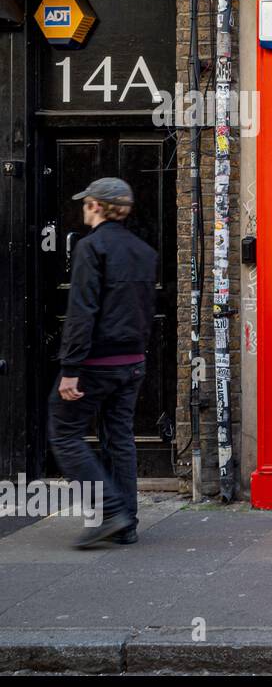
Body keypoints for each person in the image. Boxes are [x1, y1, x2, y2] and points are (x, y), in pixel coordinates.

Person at [48, 178, 158, 548]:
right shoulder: (144, 251)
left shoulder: (90, 248)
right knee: (120, 438)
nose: (83, 207)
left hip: (95, 363)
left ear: (97, 206)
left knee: (65, 434)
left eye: (86, 202)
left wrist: (71, 369)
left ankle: (110, 511)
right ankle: (126, 524)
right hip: (133, 362)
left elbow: (82, 312)